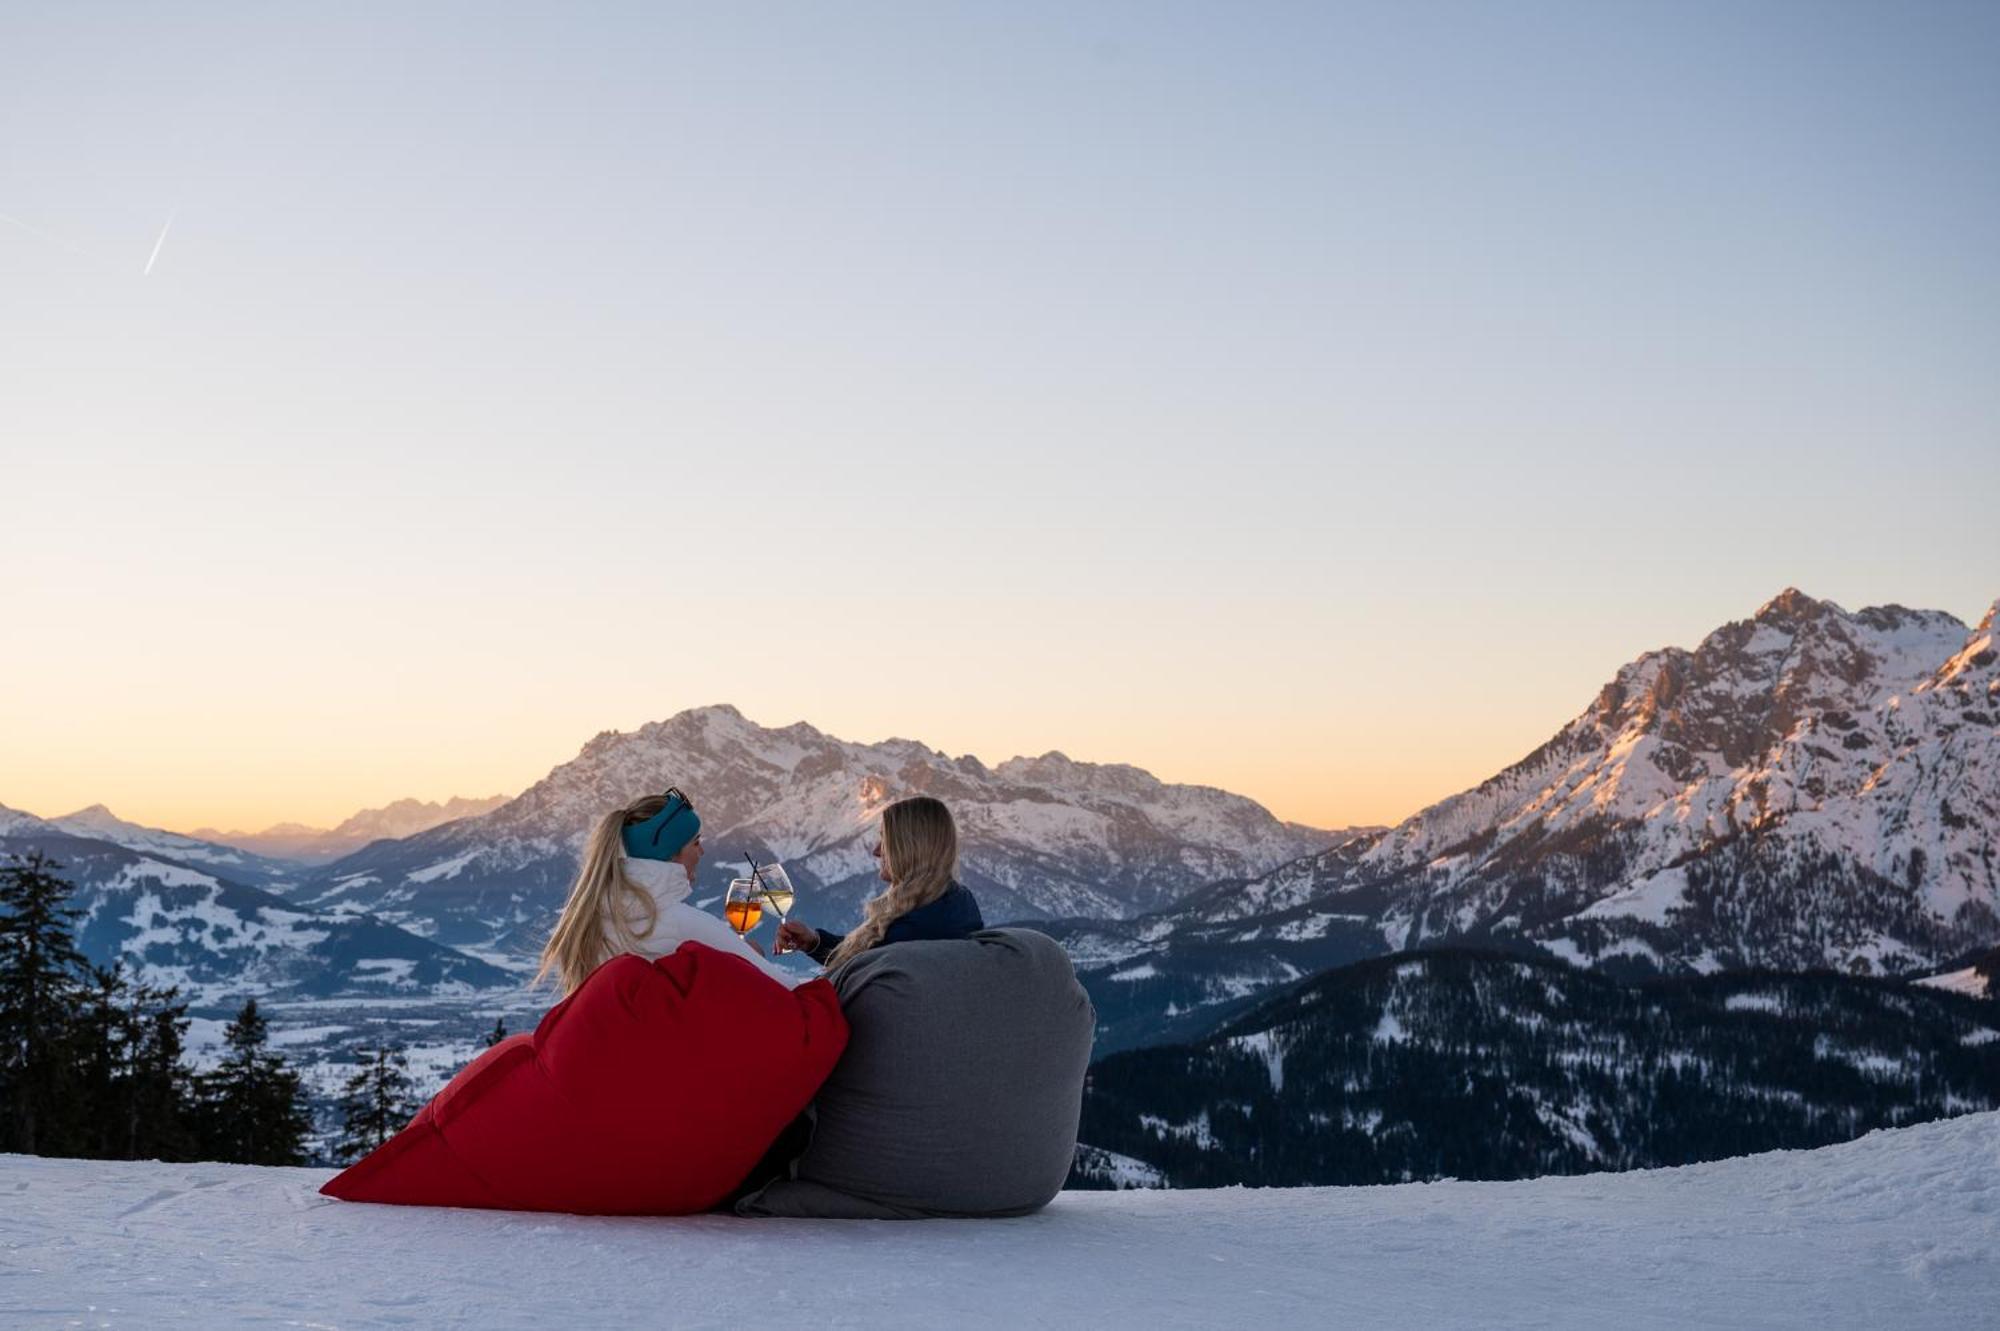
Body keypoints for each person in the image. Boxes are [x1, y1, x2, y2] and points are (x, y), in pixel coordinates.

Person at [536, 786, 797, 994]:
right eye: (696, 843)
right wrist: (748, 963)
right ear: (670, 853)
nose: (702, 852)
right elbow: (789, 989)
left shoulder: (591, 918)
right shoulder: (684, 924)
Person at [777, 795, 984, 969]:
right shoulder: (952, 901)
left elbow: (860, 973)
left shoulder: (913, 929)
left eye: (884, 840)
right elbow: (867, 957)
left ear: (908, 848)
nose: (876, 851)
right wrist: (815, 942)